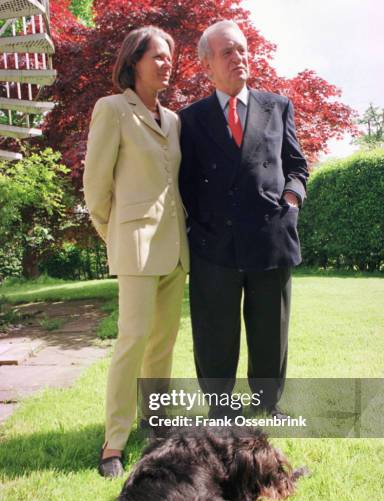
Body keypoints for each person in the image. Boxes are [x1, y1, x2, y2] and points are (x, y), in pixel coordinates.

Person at [179, 20, 308, 418]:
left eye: (242, 49)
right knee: (214, 332)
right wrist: (199, 225)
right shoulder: (190, 118)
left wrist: (291, 198)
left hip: (270, 236)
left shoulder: (277, 105)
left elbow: (297, 166)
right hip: (213, 244)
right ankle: (220, 409)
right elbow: (183, 181)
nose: (239, 58)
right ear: (207, 65)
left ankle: (268, 404)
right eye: (227, 52)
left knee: (270, 330)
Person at [83, 26, 189, 477]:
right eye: (158, 57)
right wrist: (116, 234)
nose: (167, 64)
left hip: (175, 248)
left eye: (170, 57)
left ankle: (157, 423)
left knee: (162, 344)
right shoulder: (112, 110)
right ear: (134, 61)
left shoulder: (174, 119)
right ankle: (114, 443)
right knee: (132, 341)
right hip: (135, 247)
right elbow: (96, 186)